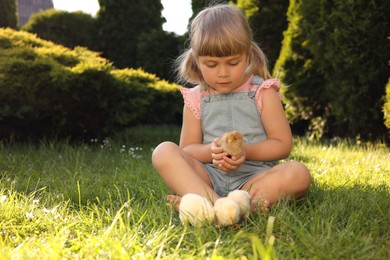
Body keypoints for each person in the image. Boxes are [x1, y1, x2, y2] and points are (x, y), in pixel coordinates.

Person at [152, 4, 311, 212]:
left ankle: (213, 205)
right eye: (211, 65)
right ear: (197, 61)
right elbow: (187, 150)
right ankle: (222, 204)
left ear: (247, 55)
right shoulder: (196, 98)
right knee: (163, 151)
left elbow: (282, 145)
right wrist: (212, 151)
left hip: (254, 179)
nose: (223, 73)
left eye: (233, 63)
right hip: (208, 178)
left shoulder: (263, 92)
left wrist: (246, 151)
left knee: (298, 173)